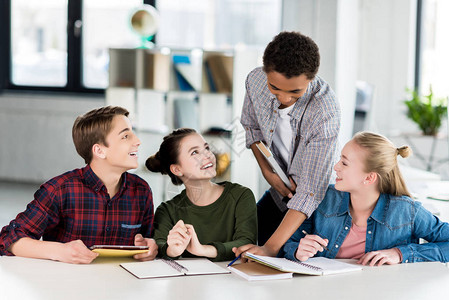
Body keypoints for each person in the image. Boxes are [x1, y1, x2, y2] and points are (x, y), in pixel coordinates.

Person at [0, 106, 158, 264]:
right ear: (99, 151)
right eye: (125, 136)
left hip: (123, 285)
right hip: (67, 285)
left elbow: (149, 241)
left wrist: (150, 247)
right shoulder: (60, 190)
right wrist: (59, 251)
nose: (138, 141)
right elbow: (8, 239)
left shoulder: (141, 191)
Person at [235, 31, 341, 257]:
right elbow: (252, 128)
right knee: (247, 242)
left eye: (295, 92)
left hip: (319, 206)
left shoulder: (325, 111)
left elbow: (311, 192)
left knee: (288, 260)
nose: (283, 98)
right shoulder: (255, 81)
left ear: (311, 79)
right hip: (278, 191)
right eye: (275, 88)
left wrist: (270, 248)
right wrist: (268, 172)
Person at [283, 132, 449, 265]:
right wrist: (298, 250)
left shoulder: (406, 211)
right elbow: (288, 244)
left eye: (345, 163)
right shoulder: (323, 198)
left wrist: (401, 254)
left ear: (369, 178)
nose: (336, 167)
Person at [146, 128, 257, 262]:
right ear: (177, 169)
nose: (207, 155)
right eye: (195, 152)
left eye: (207, 148)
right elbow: (160, 246)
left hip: (232, 280)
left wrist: (203, 249)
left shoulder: (241, 196)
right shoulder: (167, 211)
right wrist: (172, 249)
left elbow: (246, 243)